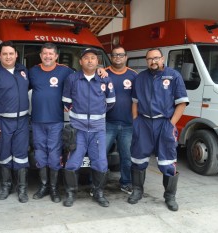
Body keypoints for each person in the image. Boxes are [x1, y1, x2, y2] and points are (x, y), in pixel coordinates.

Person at [129, 48, 189, 211]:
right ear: (146, 61)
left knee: (167, 161)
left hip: (164, 123)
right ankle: (137, 191)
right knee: (138, 159)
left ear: (162, 59)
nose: (153, 61)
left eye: (156, 58)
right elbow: (134, 101)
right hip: (143, 123)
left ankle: (170, 196)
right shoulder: (140, 78)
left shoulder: (174, 76)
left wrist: (171, 124)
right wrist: (136, 121)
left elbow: (181, 103)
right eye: (149, 59)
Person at [62, 48, 115, 207]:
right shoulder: (72, 79)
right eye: (86, 58)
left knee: (100, 162)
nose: (90, 60)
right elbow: (66, 101)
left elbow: (111, 102)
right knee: (73, 162)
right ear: (80, 61)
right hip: (77, 129)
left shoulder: (105, 79)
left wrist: (97, 112)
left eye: (93, 58)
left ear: (97, 61)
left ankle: (98, 192)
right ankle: (71, 193)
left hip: (98, 129)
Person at [0, 41, 30, 203]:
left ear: (16, 55)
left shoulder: (23, 71)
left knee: (21, 156)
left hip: (22, 121)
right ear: (0, 56)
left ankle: (22, 189)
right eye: (5, 54)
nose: (8, 57)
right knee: (4, 155)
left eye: (11, 53)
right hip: (1, 122)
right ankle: (6, 187)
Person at [28, 43, 74, 203]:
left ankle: (54, 189)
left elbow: (82, 79)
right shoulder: (32, 72)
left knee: (54, 155)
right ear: (40, 56)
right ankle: (44, 186)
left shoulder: (65, 71)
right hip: (37, 121)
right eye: (44, 53)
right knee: (40, 154)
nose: (47, 56)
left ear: (56, 56)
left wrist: (101, 71)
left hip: (56, 121)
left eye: (51, 54)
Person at [105, 46, 137, 194]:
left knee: (127, 157)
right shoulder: (103, 73)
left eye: (121, 55)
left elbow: (138, 100)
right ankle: (97, 183)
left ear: (126, 57)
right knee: (100, 155)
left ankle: (126, 182)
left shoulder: (134, 76)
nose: (118, 57)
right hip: (107, 123)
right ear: (111, 57)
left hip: (127, 125)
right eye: (115, 55)